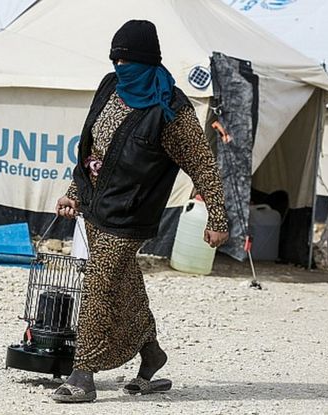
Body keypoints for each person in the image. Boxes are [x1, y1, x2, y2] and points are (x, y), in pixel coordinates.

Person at [52, 19, 229, 403]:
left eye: (127, 63)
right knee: (125, 289)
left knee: (99, 286)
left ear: (148, 63)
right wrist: (73, 192)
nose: (120, 69)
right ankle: (151, 355)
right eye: (115, 61)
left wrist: (217, 217)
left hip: (130, 215)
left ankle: (82, 375)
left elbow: (202, 164)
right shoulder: (110, 88)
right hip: (96, 205)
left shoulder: (170, 110)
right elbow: (93, 150)